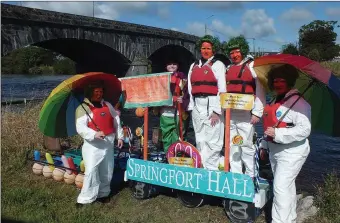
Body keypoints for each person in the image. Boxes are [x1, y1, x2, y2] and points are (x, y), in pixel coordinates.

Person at [260, 65, 311, 223]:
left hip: (293, 152)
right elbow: (270, 126)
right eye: (275, 80)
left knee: (280, 187)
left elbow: (305, 129)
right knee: (286, 187)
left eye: (281, 80)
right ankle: (290, 219)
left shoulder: (300, 104)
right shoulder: (276, 99)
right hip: (276, 150)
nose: (277, 84)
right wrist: (264, 146)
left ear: (289, 81)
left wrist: (279, 134)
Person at [222, 37, 265, 178]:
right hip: (230, 114)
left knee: (246, 146)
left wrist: (257, 113)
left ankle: (250, 175)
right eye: (232, 53)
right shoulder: (228, 68)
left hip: (246, 114)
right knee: (233, 145)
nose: (234, 55)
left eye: (237, 52)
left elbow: (260, 90)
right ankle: (236, 174)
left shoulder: (252, 67)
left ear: (243, 51)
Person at [75, 82, 124, 207]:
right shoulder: (82, 108)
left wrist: (120, 137)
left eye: (101, 92)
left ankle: (103, 193)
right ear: (90, 93)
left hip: (108, 143)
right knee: (91, 171)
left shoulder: (107, 105)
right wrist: (94, 134)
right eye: (96, 92)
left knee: (107, 169)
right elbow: (80, 127)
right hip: (93, 146)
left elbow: (116, 120)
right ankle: (85, 199)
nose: (99, 94)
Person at [187, 35, 227, 170]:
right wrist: (191, 107)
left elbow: (222, 89)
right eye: (203, 48)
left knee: (213, 140)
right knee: (200, 138)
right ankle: (202, 166)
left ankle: (212, 169)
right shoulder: (193, 66)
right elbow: (190, 88)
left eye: (208, 48)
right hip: (197, 105)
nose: (205, 51)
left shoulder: (218, 65)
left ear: (213, 50)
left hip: (212, 103)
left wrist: (217, 110)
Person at [156, 60, 190, 152]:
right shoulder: (159, 79)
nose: (172, 66)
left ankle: (178, 157)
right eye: (169, 64)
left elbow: (187, 93)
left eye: (174, 64)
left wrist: (183, 99)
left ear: (178, 65)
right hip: (165, 112)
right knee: (166, 136)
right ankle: (168, 156)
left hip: (179, 112)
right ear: (165, 66)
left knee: (178, 136)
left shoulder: (183, 78)